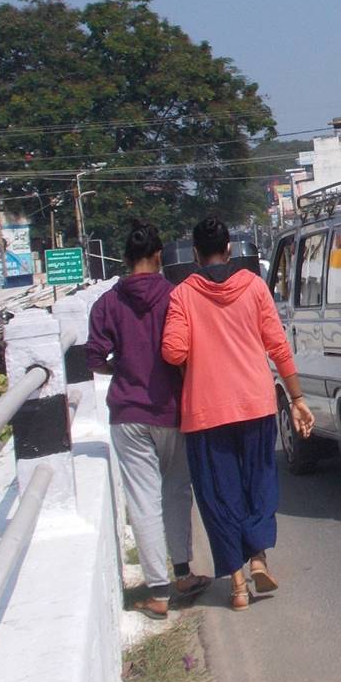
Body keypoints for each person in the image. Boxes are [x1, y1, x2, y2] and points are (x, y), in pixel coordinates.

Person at [161, 216, 316, 611]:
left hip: (205, 411)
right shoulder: (253, 286)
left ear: (196, 255)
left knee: (219, 495)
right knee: (258, 484)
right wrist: (297, 398)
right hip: (255, 403)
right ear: (229, 249)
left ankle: (236, 585)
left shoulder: (182, 294)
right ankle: (259, 559)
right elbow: (278, 345)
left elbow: (173, 352)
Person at [87, 221, 210, 620]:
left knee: (143, 498)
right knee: (176, 491)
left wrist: (121, 369)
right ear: (159, 256)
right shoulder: (175, 296)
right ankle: (183, 573)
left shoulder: (107, 303)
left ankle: (158, 592)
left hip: (127, 412)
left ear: (125, 259)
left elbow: (93, 357)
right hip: (171, 409)